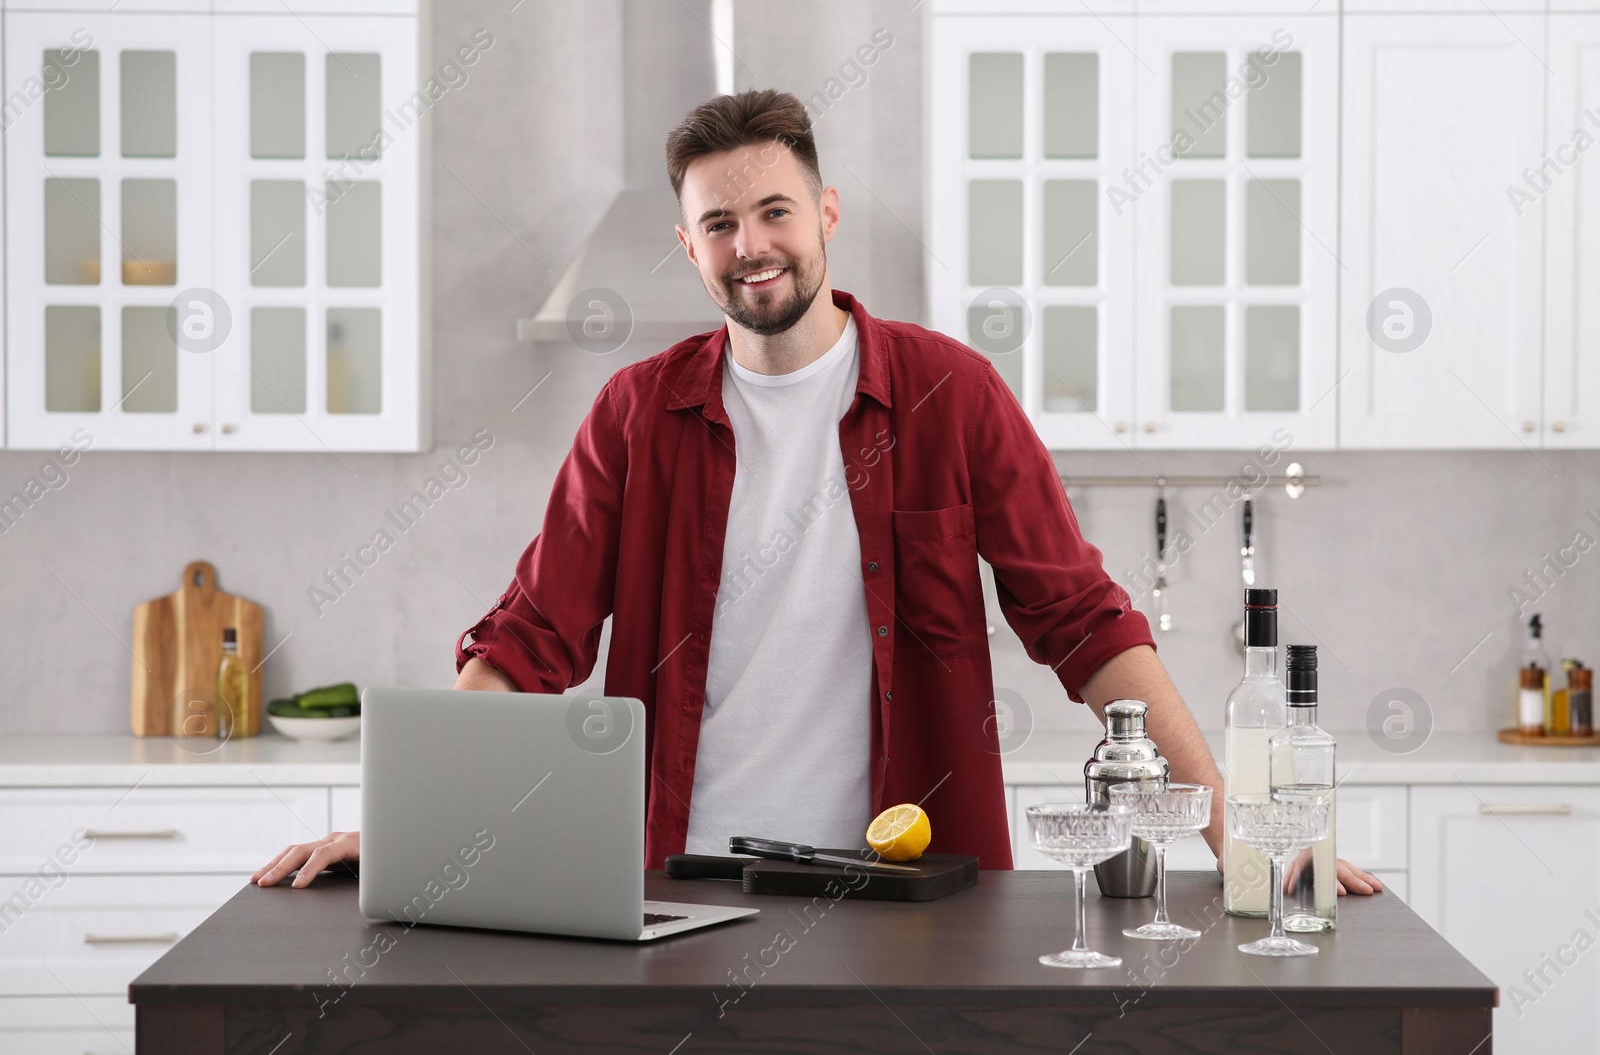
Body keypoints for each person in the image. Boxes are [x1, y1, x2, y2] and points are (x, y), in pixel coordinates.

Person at [254, 89, 1381, 896]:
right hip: (677, 883)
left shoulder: (953, 393)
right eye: (719, 224)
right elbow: (532, 637)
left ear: (826, 212)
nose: (753, 245)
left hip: (908, 882)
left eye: (775, 211)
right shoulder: (637, 416)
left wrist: (1235, 830)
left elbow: (1084, 623)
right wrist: (406, 827)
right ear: (686, 245)